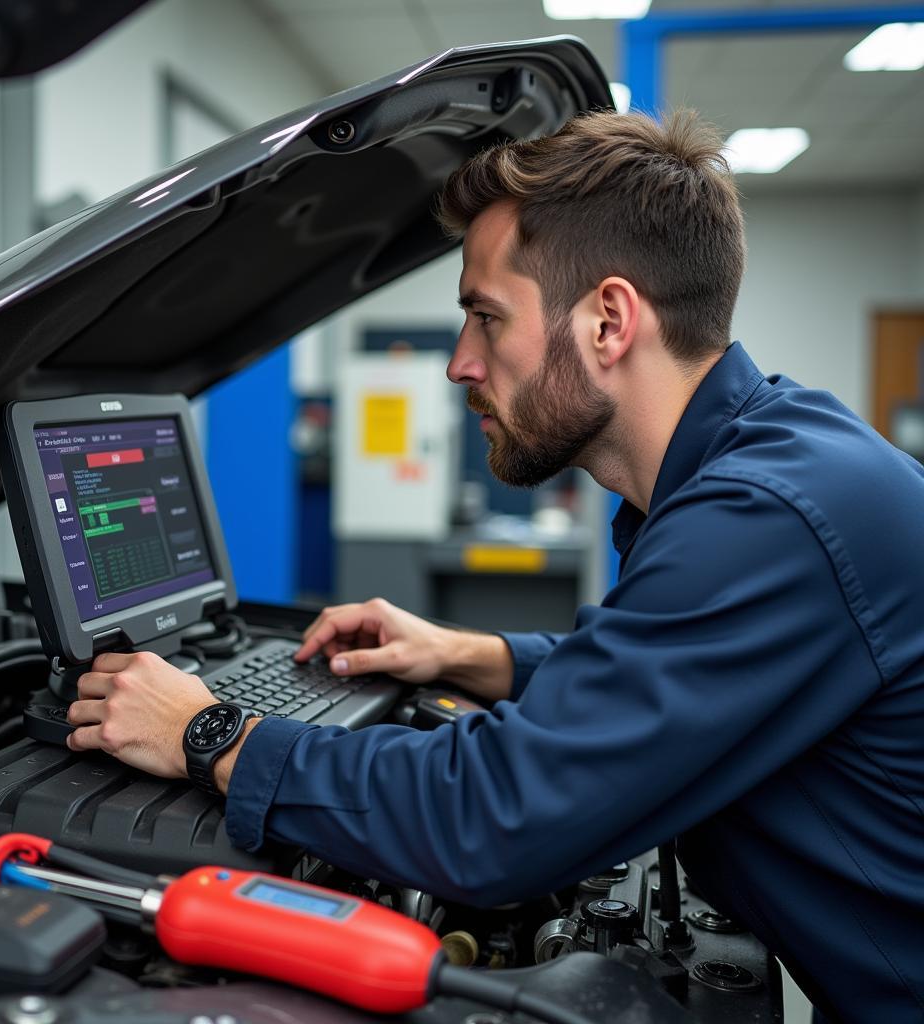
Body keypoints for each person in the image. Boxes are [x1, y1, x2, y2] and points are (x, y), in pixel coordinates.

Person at [65, 110, 924, 1022]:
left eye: (484, 316)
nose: (460, 364)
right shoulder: (776, 458)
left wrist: (212, 734)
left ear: (609, 319)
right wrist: (466, 654)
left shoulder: (765, 519)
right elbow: (670, 678)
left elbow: (498, 820)